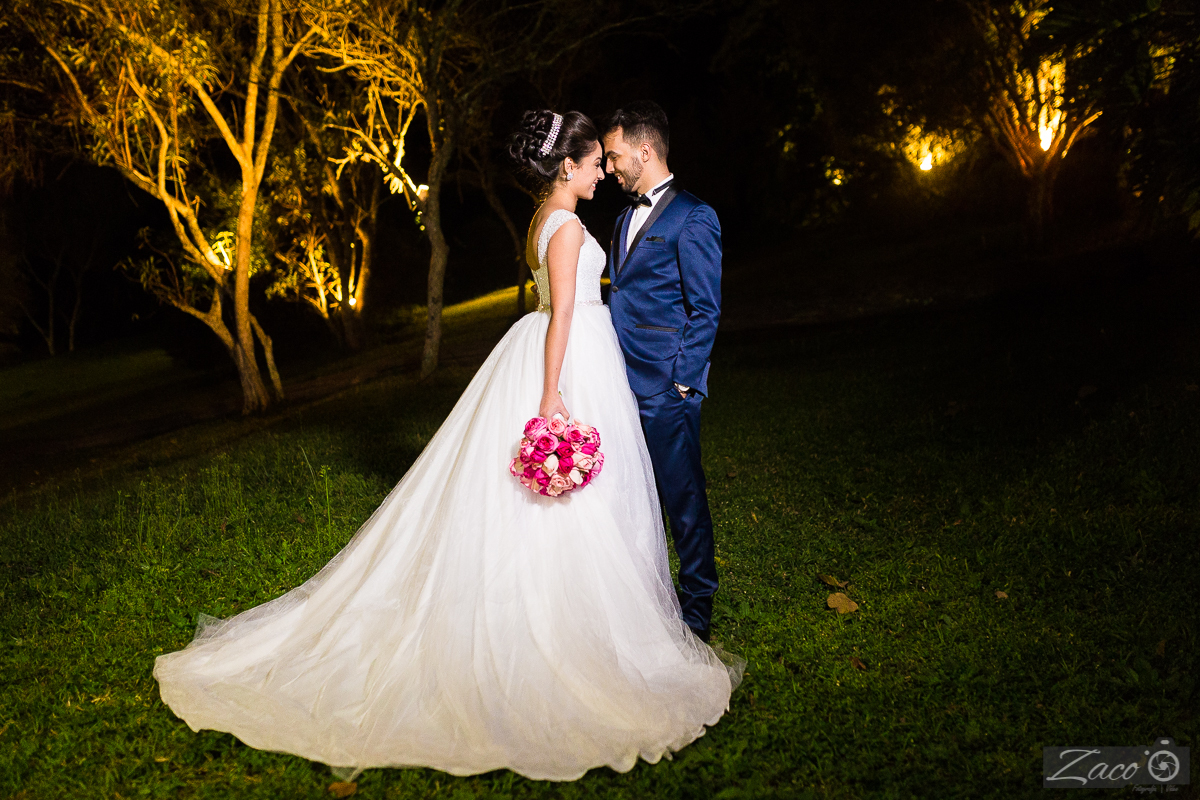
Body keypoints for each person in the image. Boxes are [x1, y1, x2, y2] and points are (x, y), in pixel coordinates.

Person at [153, 109, 742, 783]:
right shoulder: (570, 226)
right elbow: (564, 314)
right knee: (581, 504)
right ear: (567, 166)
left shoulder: (552, 217)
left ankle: (648, 607)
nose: (603, 171)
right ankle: (580, 625)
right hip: (570, 359)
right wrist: (553, 394)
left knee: (618, 496)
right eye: (593, 162)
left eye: (608, 160)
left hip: (592, 357)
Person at [602, 101, 723, 643]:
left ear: (645, 150)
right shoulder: (621, 219)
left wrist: (683, 380)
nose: (608, 167)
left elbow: (706, 309)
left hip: (665, 388)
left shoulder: (694, 217)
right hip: (617, 384)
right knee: (632, 498)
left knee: (683, 500)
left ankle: (696, 611)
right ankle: (646, 603)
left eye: (614, 155)